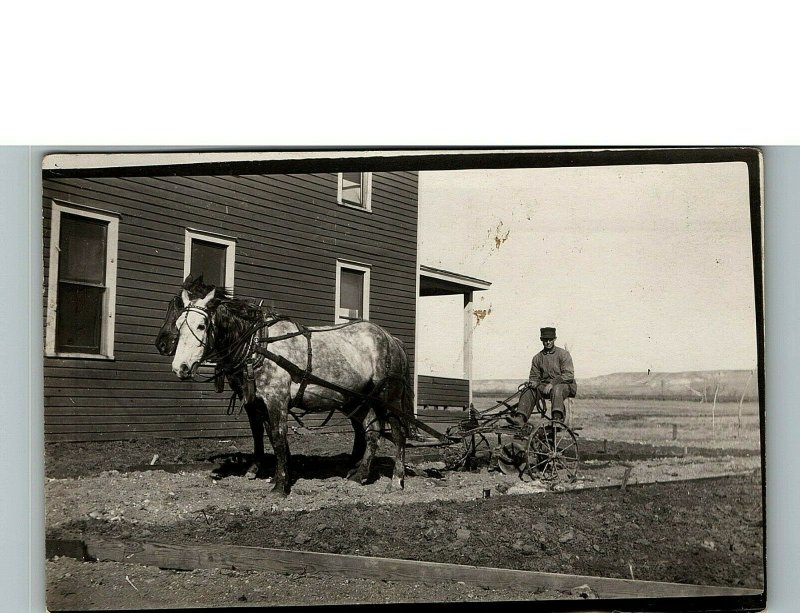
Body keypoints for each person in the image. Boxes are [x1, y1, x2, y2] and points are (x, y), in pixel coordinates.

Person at [507, 327, 577, 426]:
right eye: (545, 340)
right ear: (541, 340)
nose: (548, 342)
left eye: (550, 339)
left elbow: (568, 375)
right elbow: (534, 376)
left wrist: (552, 383)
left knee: (557, 388)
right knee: (528, 390)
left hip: (564, 386)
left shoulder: (563, 354)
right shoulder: (537, 358)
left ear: (554, 339)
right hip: (544, 387)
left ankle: (557, 418)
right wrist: (533, 382)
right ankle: (520, 418)